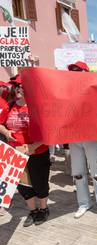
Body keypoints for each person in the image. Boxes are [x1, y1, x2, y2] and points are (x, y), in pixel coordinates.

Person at [0, 75, 51, 226]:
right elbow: (0, 124)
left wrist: (31, 147)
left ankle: (43, 209)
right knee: (22, 186)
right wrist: (6, 132)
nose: (17, 89)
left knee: (39, 183)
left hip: (37, 152)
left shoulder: (38, 107)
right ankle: (33, 211)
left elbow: (48, 133)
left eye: (20, 86)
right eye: (15, 86)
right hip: (15, 154)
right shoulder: (9, 105)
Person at [67, 61, 97, 222]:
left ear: (86, 73)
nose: (75, 74)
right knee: (78, 173)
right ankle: (84, 203)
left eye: (78, 71)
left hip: (92, 137)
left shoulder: (95, 90)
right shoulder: (68, 91)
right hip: (74, 137)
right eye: (72, 71)